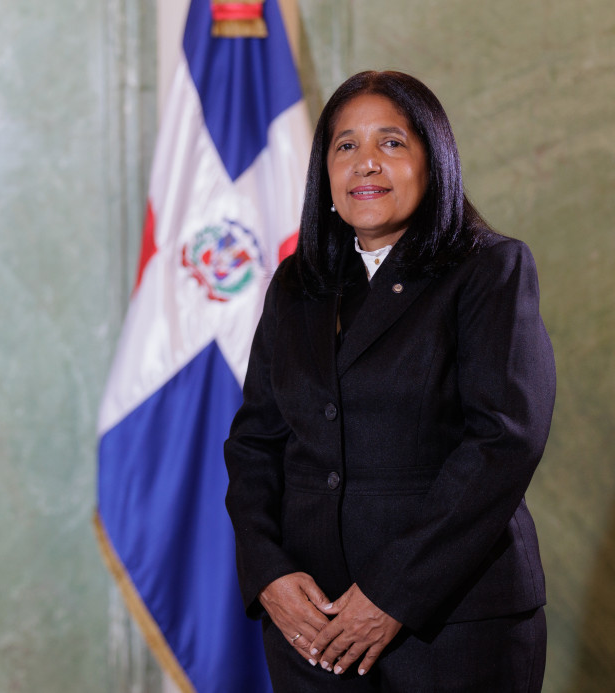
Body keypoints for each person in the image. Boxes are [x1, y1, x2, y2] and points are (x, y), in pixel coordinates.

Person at [224, 70, 555, 692]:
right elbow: (255, 444)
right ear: (325, 173)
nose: (366, 162)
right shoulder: (296, 284)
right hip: (311, 629)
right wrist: (267, 572)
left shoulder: (489, 269)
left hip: (453, 626)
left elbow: (504, 442)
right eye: (346, 145)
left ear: (435, 162)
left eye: (392, 142)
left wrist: (392, 593)